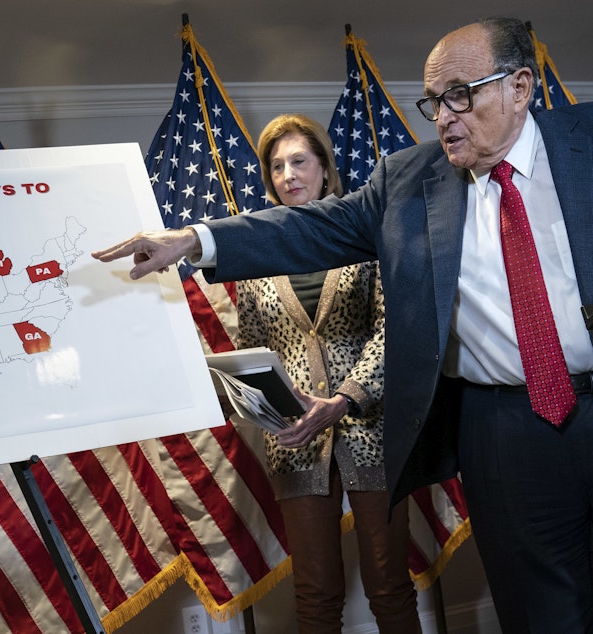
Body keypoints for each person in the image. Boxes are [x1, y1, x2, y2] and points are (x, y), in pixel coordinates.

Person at [94, 16, 593, 634]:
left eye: (461, 94)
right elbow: (308, 228)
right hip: (505, 427)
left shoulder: (585, 140)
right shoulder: (409, 182)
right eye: (434, 101)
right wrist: (192, 239)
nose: (443, 116)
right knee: (542, 609)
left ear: (520, 87)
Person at [235, 113, 419, 633]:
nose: (288, 174)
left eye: (299, 161)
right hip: (294, 440)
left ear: (323, 168)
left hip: (371, 429)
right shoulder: (256, 252)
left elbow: (393, 328)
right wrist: (268, 410)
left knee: (390, 585)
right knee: (315, 592)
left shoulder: (364, 236)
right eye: (276, 166)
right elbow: (249, 348)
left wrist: (344, 398)